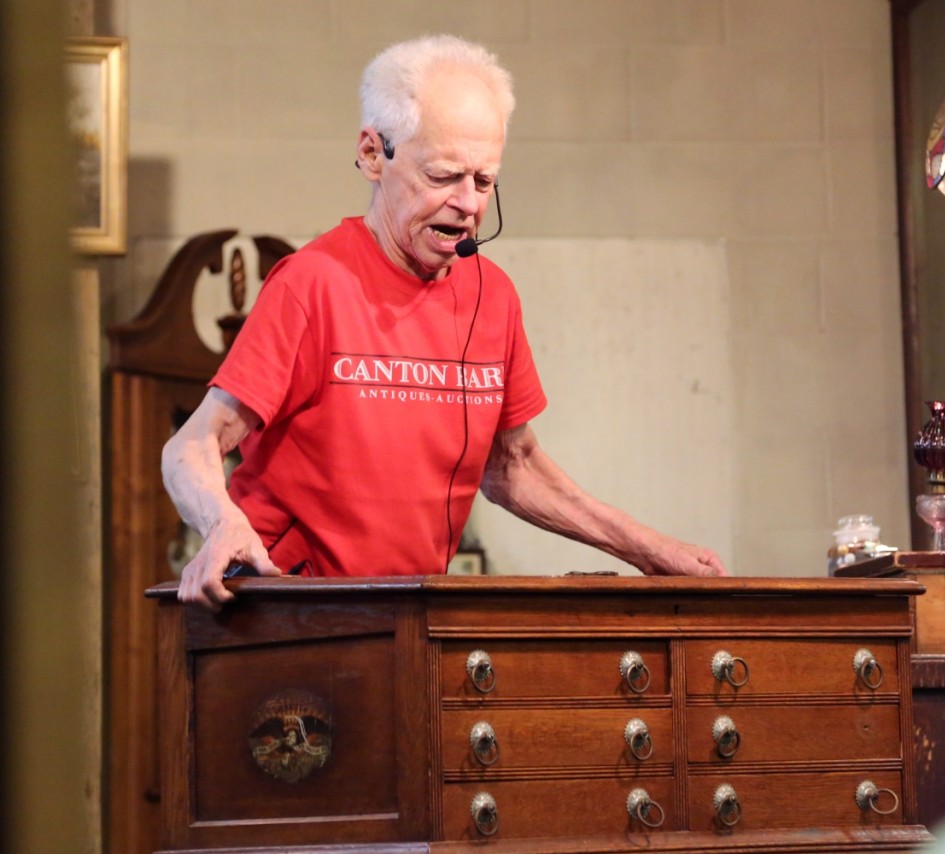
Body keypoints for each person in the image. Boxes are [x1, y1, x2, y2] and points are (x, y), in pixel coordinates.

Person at [162, 34, 726, 611]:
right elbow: (191, 446)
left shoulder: (494, 296)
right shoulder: (311, 284)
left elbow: (512, 465)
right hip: (289, 609)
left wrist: (650, 550)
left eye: (484, 182)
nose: (468, 204)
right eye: (443, 177)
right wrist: (221, 523)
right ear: (372, 154)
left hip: (411, 614)